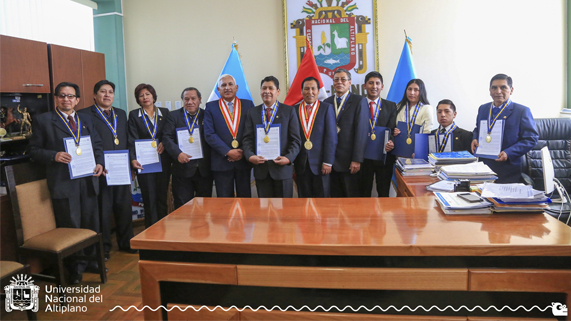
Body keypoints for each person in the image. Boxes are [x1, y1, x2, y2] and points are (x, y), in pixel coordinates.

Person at [28, 81, 104, 284]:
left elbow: (97, 145)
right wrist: (54, 155)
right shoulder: (43, 120)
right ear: (56, 98)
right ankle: (75, 269)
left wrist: (99, 163)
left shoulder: (86, 119)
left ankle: (91, 261)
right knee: (71, 226)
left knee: (90, 224)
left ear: (77, 100)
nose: (66, 99)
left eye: (71, 96)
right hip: (64, 182)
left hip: (88, 179)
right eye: (62, 95)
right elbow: (33, 150)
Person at [78, 80, 136, 260]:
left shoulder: (120, 113)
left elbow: (125, 139)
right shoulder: (84, 114)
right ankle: (103, 248)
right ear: (95, 95)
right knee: (103, 210)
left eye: (110, 92)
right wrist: (97, 163)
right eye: (103, 92)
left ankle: (127, 242)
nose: (107, 95)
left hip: (120, 168)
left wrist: (130, 164)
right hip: (100, 169)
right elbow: (85, 143)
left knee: (124, 207)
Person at [471, 74, 538, 183]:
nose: (498, 91)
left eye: (503, 87)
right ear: (489, 90)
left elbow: (531, 139)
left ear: (511, 90)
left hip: (508, 169)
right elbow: (478, 129)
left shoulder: (521, 111)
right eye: (494, 87)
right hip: (484, 167)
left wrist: (509, 153)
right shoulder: (483, 109)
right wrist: (475, 138)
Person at [242, 76, 301, 198]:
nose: (267, 91)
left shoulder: (289, 111)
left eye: (271, 88)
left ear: (278, 91)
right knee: (264, 212)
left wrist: (288, 158)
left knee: (284, 210)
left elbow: (295, 140)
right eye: (264, 88)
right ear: (260, 91)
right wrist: (250, 156)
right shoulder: (252, 112)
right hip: (261, 170)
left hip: (282, 170)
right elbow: (247, 139)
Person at [128, 83, 172, 227]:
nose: (145, 97)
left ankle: (163, 229)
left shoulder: (165, 113)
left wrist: (165, 142)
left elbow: (169, 133)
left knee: (161, 197)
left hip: (162, 161)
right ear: (138, 99)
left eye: (147, 94)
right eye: (141, 95)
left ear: (153, 96)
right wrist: (133, 159)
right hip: (144, 162)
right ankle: (151, 231)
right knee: (149, 198)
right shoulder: (134, 115)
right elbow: (132, 139)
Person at [204, 74, 254, 197]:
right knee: (224, 202)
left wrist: (241, 151)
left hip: (243, 161)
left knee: (245, 199)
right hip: (221, 162)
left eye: (230, 84)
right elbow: (209, 134)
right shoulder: (211, 107)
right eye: (223, 85)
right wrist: (228, 151)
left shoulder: (248, 105)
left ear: (236, 87)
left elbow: (252, 131)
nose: (227, 88)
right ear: (218, 89)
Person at [162, 87, 212, 208]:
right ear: (182, 101)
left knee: (204, 207)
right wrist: (177, 153)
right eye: (186, 99)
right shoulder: (173, 116)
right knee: (183, 207)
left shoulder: (207, 115)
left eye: (193, 98)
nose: (190, 102)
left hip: (204, 171)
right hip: (182, 171)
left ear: (200, 100)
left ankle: (202, 228)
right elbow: (166, 138)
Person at [323, 68, 369, 197]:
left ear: (349, 82)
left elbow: (361, 132)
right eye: (336, 79)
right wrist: (326, 160)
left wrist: (357, 159)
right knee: (334, 200)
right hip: (331, 161)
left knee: (351, 198)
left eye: (343, 79)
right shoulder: (326, 103)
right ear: (333, 83)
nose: (339, 82)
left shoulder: (359, 101)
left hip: (350, 162)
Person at [293, 77, 337, 197]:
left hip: (321, 164)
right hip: (301, 164)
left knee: (322, 201)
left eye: (313, 89)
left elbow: (331, 137)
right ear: (301, 91)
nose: (310, 92)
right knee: (304, 200)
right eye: (306, 88)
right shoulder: (294, 110)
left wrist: (328, 162)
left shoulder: (326, 108)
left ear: (318, 91)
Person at [360, 71, 397, 197]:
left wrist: (391, 141)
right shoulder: (357, 104)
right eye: (370, 83)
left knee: (383, 192)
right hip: (363, 157)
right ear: (365, 86)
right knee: (363, 192)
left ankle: (382, 217)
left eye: (377, 83)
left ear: (382, 86)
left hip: (384, 156)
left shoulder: (390, 106)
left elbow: (392, 129)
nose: (374, 86)